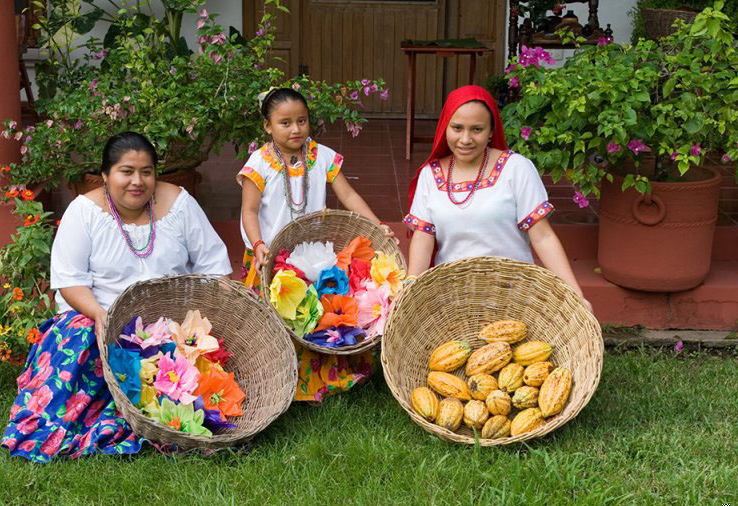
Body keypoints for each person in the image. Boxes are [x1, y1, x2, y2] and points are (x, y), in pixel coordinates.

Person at [2, 131, 232, 462]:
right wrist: (100, 316)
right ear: (106, 175)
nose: (137, 181)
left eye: (147, 172)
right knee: (81, 340)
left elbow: (213, 266)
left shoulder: (179, 204)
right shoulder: (84, 212)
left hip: (170, 324)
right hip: (99, 317)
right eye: (126, 171)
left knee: (201, 356)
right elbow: (70, 281)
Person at [237, 87, 391, 403]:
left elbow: (348, 195)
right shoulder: (260, 163)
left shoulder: (321, 156)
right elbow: (249, 211)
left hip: (311, 256)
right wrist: (259, 244)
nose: (296, 129)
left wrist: (377, 225)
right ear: (267, 126)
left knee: (312, 316)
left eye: (302, 121)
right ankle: (276, 378)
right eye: (285, 123)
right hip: (269, 255)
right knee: (276, 321)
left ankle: (318, 382)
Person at [404, 86, 592, 312]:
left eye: (477, 129)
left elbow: (542, 237)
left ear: (491, 131)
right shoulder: (431, 175)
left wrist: (575, 294)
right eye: (457, 128)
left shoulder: (516, 168)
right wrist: (411, 285)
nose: (465, 139)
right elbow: (424, 237)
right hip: (454, 297)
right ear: (445, 127)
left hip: (513, 294)